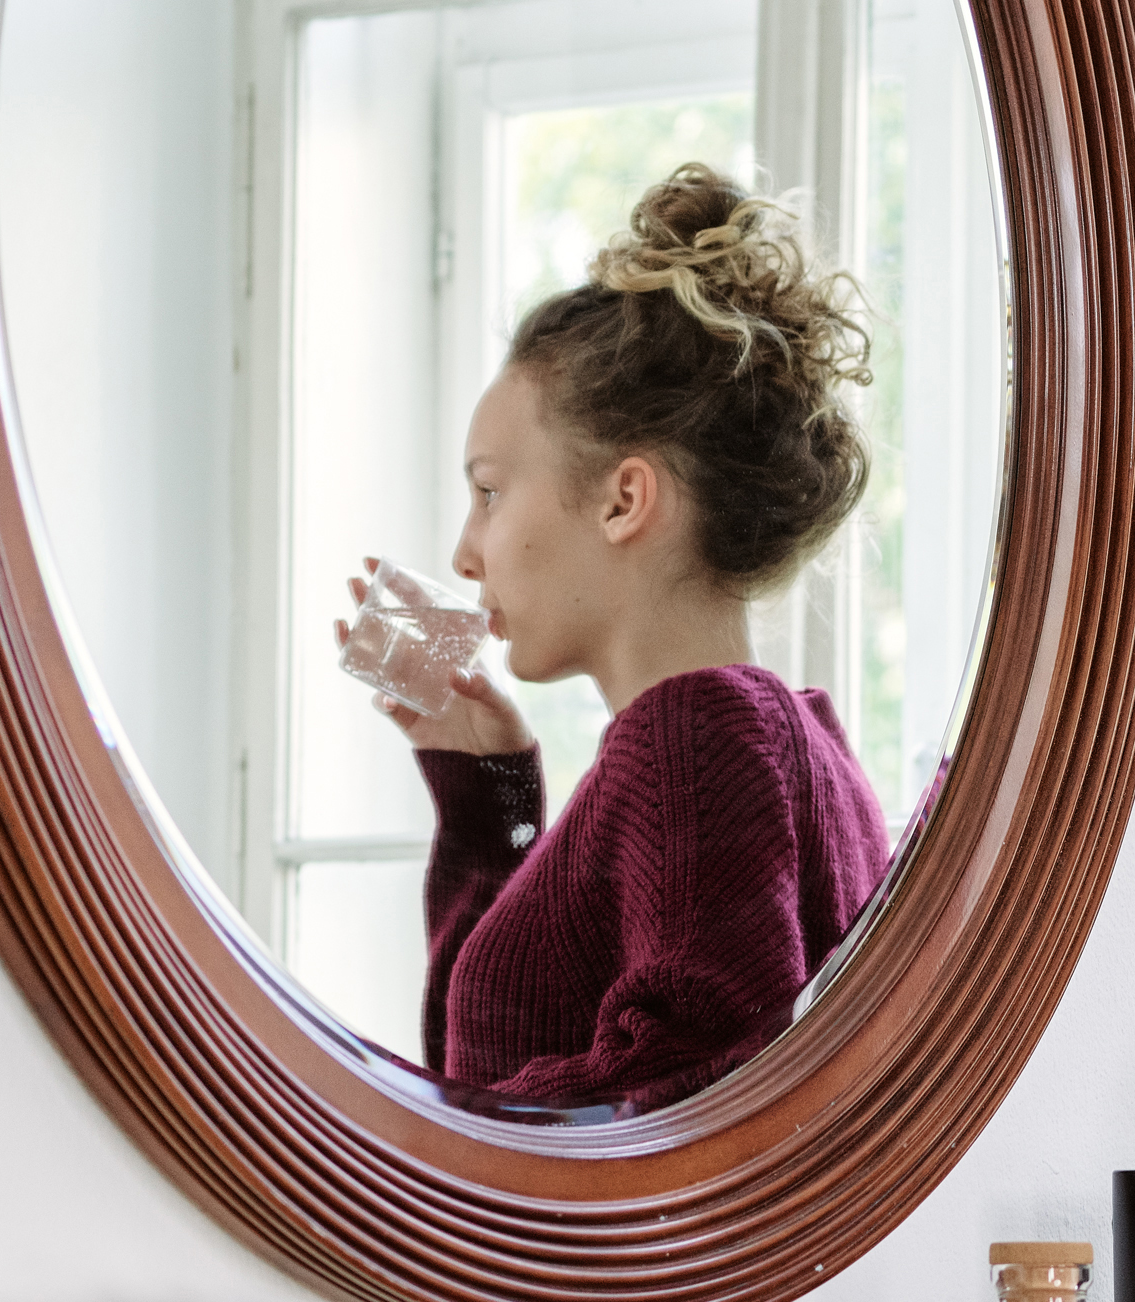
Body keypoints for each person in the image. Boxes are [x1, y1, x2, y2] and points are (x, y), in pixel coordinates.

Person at [360, 169, 897, 1115]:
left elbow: (686, 1095)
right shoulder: (787, 746)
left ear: (624, 499)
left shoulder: (700, 736)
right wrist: (493, 803)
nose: (465, 550)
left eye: (489, 491)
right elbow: (481, 1073)